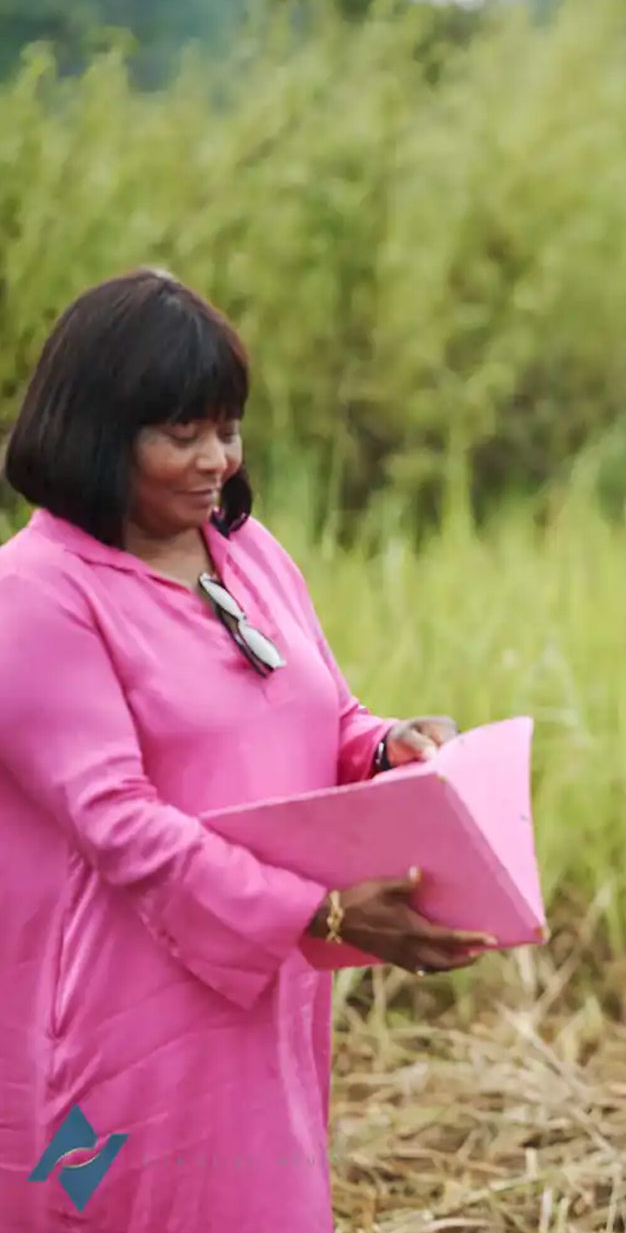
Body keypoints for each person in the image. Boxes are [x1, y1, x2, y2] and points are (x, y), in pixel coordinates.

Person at [0, 270, 496, 1231]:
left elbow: (325, 718)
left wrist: (388, 749)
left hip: (261, 989)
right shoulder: (37, 596)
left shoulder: (246, 552)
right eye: (180, 434)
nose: (215, 461)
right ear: (95, 433)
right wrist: (327, 914)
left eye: (227, 429)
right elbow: (121, 827)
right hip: (124, 1015)